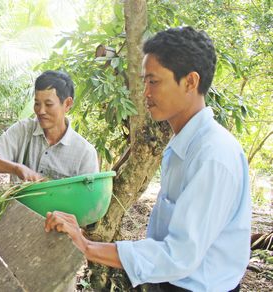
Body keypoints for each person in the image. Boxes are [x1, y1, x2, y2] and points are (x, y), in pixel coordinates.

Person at [44, 27, 251, 291]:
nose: (145, 93)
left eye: (153, 81)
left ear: (190, 82)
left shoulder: (213, 156)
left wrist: (87, 247)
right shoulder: (183, 144)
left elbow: (179, 256)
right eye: (144, 82)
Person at [0, 70, 99, 182]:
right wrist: (17, 169)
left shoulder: (85, 153)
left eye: (48, 104)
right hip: (16, 205)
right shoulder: (23, 130)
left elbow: (89, 198)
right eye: (37, 103)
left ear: (67, 104)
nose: (41, 111)